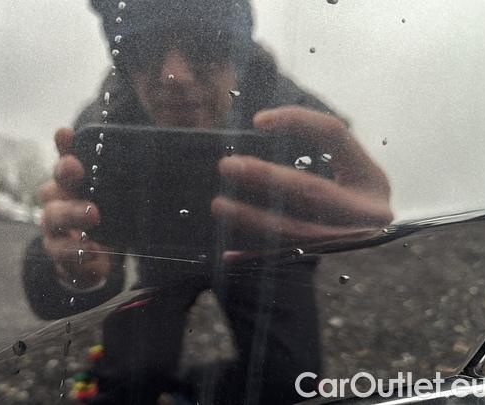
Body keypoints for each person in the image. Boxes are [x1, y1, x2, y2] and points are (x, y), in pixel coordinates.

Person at [23, 0, 392, 403]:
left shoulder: (290, 105)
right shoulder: (103, 120)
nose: (174, 75)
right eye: (144, 51)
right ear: (123, 61)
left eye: (206, 46)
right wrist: (74, 270)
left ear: (241, 54)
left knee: (292, 379)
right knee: (131, 376)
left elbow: (343, 189)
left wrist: (360, 216)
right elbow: (84, 248)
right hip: (164, 248)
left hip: (264, 250)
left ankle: (183, 393)